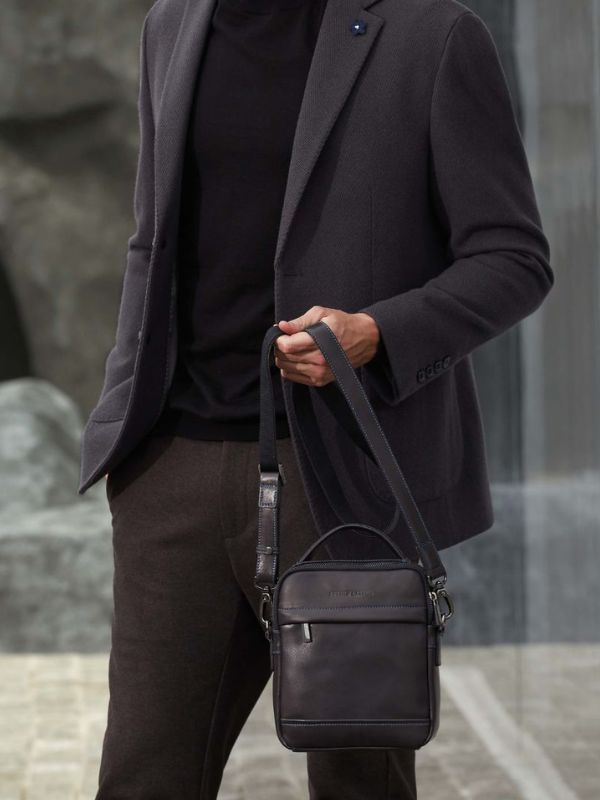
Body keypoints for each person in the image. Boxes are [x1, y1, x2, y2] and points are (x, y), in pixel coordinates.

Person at [81, 0, 554, 797]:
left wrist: (376, 333)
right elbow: (150, 238)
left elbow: (513, 258)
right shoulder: (171, 25)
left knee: (359, 782)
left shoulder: (432, 34)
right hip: (173, 470)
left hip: (342, 480)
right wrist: (125, 412)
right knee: (142, 777)